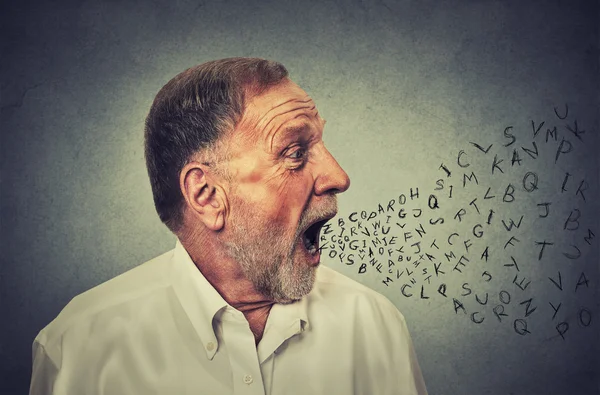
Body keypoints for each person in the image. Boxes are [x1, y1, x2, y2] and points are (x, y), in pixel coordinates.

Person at [29, 58, 428, 395]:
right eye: (295, 153)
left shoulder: (374, 326)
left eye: (320, 145)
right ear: (206, 196)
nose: (338, 177)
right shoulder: (78, 348)